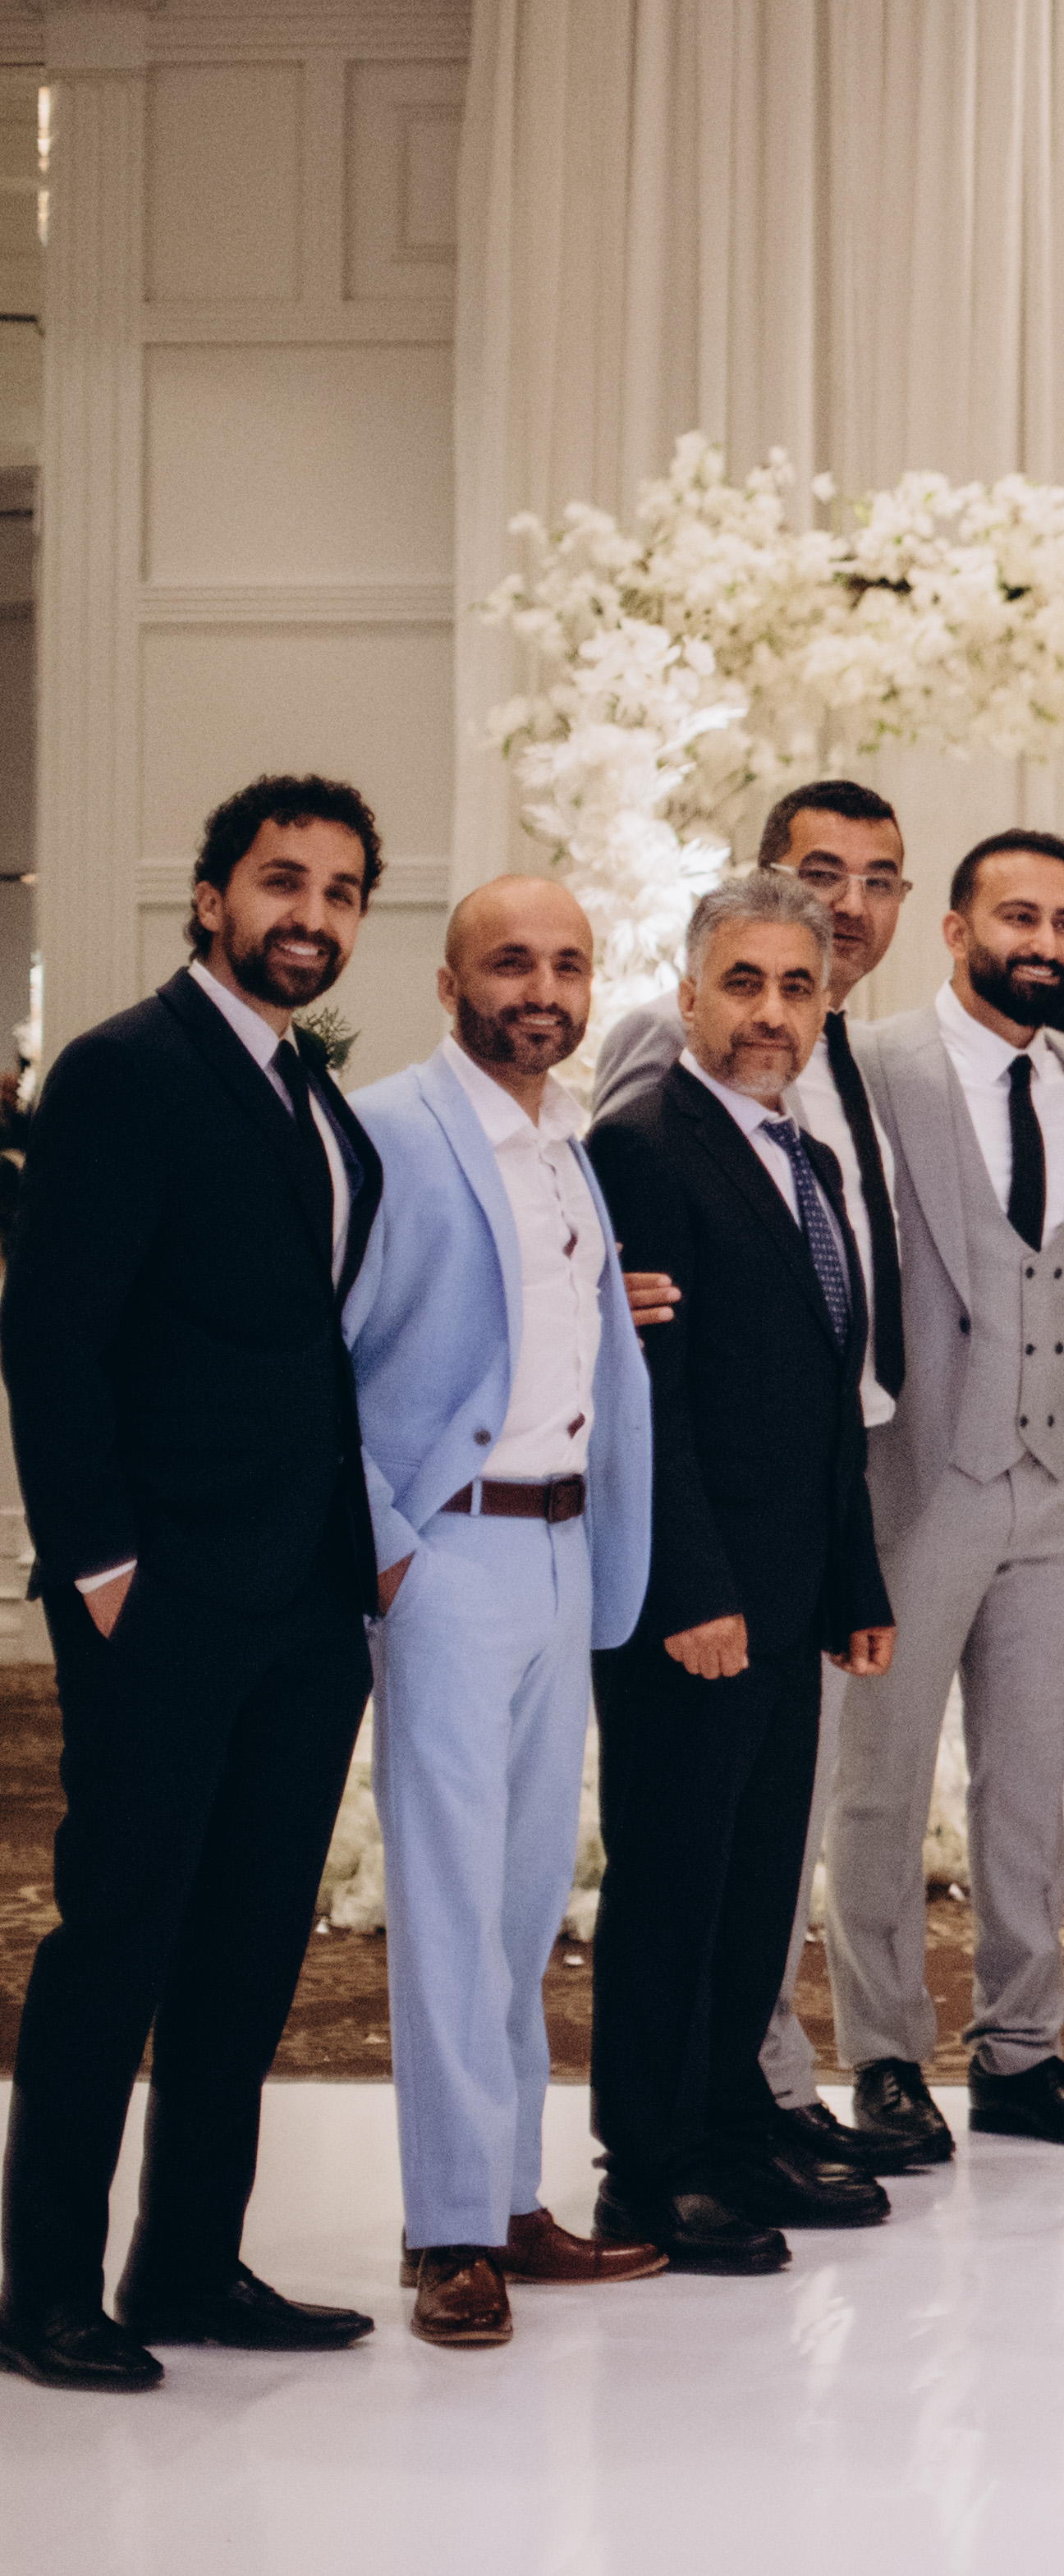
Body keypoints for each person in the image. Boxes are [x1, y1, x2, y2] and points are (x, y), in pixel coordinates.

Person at [0, 776, 392, 2390]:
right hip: (161, 1593)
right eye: (282, 879)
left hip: (305, 1595)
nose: (312, 913)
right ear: (216, 892)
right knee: (120, 1939)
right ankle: (41, 2290)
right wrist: (103, 1568)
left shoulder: (310, 1090)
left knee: (247, 1943)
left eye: (341, 890)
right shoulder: (125, 1068)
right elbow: (51, 1339)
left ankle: (186, 2262)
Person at [341, 879, 672, 2345]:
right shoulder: (389, 1132)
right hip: (449, 1555)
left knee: (529, 1899)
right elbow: (319, 1354)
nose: (542, 991)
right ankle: (451, 2233)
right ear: (448, 982)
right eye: (511, 963)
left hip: (562, 1548)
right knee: (451, 1903)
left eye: (568, 966)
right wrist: (388, 1547)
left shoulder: (566, 1143)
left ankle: (512, 2200)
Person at [592, 777, 931, 2182]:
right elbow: (643, 1403)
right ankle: (650, 2163)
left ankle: (730, 2130)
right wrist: (691, 1588)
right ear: (689, 994)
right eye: (743, 984)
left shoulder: (802, 1158)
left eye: (797, 988)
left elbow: (822, 1399)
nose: (772, 1014)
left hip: (790, 1595)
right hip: (699, 1598)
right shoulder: (642, 1146)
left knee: (750, 1888)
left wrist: (851, 1581)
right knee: (676, 1888)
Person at [827, 831, 1064, 2154]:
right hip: (920, 1475)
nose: (1045, 944)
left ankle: (1021, 2052)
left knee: (1028, 1784)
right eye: (1019, 917)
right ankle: (884, 2056)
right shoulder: (875, 1062)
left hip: (1057, 1478)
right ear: (955, 930)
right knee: (884, 1782)